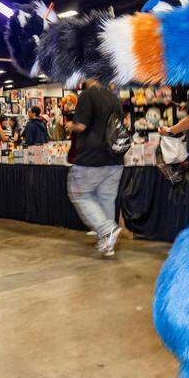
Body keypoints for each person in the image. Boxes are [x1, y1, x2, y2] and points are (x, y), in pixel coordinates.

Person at [67, 78, 124, 257]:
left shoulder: (87, 95)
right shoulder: (115, 97)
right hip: (114, 158)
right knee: (106, 199)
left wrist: (70, 125)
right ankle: (107, 243)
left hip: (91, 157)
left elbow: (81, 126)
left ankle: (107, 230)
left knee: (79, 194)